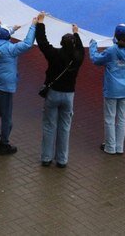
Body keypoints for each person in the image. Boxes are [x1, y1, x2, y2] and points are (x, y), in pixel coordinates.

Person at [36, 13, 83, 167]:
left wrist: (41, 23)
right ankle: (62, 160)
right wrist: (76, 32)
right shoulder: (77, 58)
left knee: (49, 125)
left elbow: (42, 42)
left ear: (61, 43)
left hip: (53, 93)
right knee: (65, 127)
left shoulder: (54, 55)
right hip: (69, 95)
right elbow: (81, 49)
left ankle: (46, 158)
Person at [0, 19, 38, 156]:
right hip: (6, 86)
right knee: (6, 116)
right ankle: (5, 144)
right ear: (7, 37)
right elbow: (27, 43)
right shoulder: (10, 49)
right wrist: (33, 26)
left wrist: (13, 29)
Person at [89, 25, 125, 155]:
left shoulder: (112, 51)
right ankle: (119, 147)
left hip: (112, 89)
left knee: (110, 118)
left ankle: (110, 146)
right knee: (122, 118)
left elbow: (96, 59)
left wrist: (93, 45)